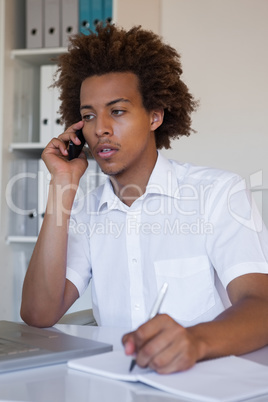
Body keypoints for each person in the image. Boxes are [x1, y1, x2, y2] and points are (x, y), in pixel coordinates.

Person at [21, 24, 268, 374]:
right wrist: (62, 184)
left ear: (155, 116)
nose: (100, 128)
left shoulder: (217, 193)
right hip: (118, 383)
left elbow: (261, 306)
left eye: (117, 111)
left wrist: (194, 342)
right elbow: (38, 313)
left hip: (207, 380)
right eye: (88, 115)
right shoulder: (86, 210)